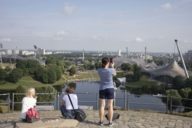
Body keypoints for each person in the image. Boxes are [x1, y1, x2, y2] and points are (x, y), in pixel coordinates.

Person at [97, 57, 116, 126]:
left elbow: (103, 68)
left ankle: (101, 122)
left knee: (102, 106)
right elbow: (115, 74)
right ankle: (110, 122)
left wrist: (109, 66)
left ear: (102, 63)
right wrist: (112, 66)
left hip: (102, 89)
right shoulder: (111, 70)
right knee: (110, 106)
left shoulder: (99, 70)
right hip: (110, 89)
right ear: (108, 63)